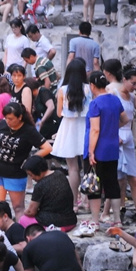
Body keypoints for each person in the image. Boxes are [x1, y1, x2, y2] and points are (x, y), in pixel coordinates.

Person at [83, 71, 129, 232]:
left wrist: (90, 152)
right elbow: (125, 119)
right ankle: (117, 219)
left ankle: (95, 220)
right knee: (112, 182)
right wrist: (111, 129)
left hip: (98, 148)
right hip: (112, 148)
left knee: (93, 183)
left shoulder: (95, 104)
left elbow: (94, 130)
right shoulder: (115, 99)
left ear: (92, 86)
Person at [0, 102, 52, 219]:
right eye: (6, 118)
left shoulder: (28, 131)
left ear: (20, 117)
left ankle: (20, 234)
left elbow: (47, 148)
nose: (8, 121)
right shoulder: (3, 125)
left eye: (11, 119)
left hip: (16, 173)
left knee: (18, 207)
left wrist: (30, 160)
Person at [102, 63, 136, 225]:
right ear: (124, 80)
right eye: (133, 83)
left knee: (133, 178)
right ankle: (107, 212)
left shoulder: (132, 97)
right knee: (117, 179)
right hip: (116, 138)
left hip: (128, 139)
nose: (135, 86)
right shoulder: (113, 94)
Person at [51, 58, 91, 216]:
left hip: (68, 128)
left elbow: (59, 113)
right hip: (86, 127)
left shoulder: (62, 90)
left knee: (73, 168)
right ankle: (88, 201)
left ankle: (74, 202)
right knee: (87, 167)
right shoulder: (89, 89)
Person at [20, 155, 76, 231]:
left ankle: (50, 229)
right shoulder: (60, 174)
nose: (31, 178)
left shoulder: (40, 186)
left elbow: (31, 211)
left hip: (52, 221)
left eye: (31, 175)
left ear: (37, 171)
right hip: (71, 220)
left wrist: (25, 212)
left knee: (23, 219)